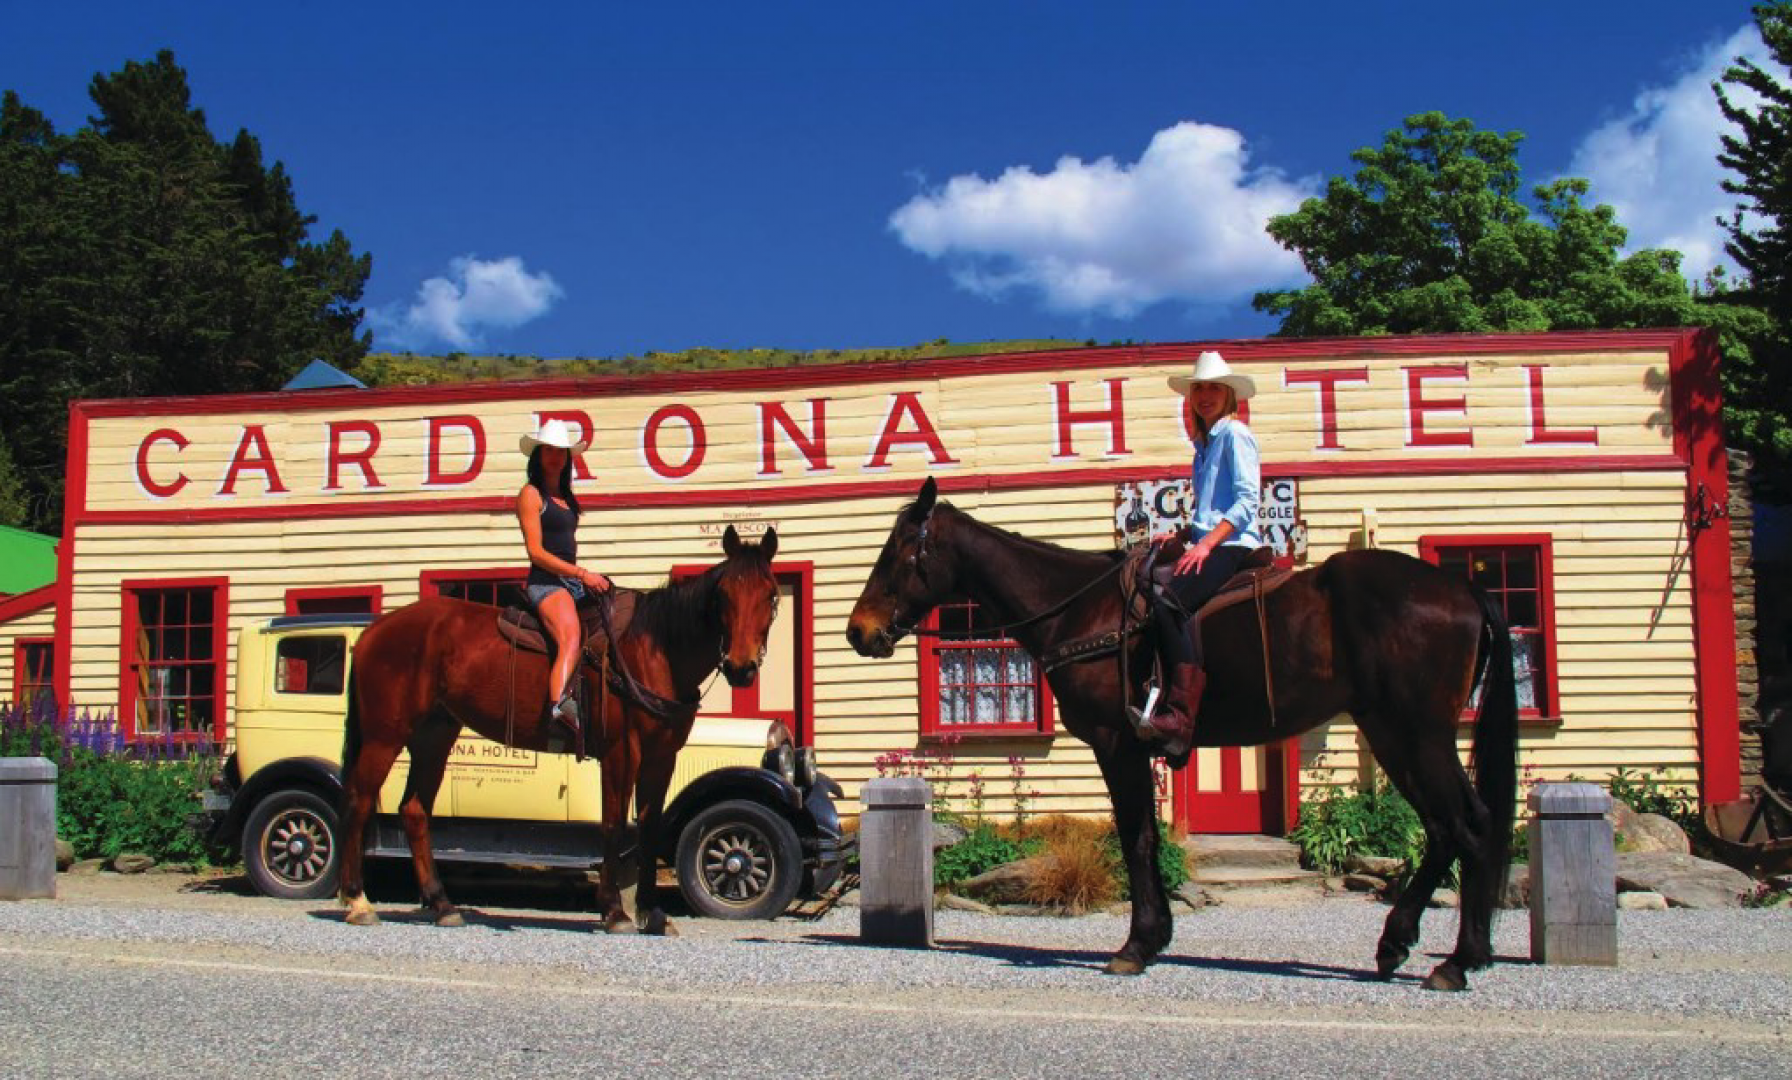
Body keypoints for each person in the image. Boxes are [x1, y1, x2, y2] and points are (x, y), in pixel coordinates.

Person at [1128, 350, 1264, 759]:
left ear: (1228, 395)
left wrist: (1206, 543)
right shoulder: (1203, 446)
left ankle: (1181, 715)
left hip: (1234, 545)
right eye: (1198, 388)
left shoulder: (1235, 435)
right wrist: (1186, 531)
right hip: (1212, 539)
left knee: (1168, 600)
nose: (1204, 395)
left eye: (1213, 388)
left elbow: (1246, 502)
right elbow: (1210, 509)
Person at [517, 418, 611, 734]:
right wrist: (582, 573)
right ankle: (558, 710)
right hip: (545, 582)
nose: (556, 457)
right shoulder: (531, 494)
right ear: (539, 455)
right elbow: (537, 552)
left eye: (561, 452)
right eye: (549, 451)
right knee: (570, 634)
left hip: (570, 582)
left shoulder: (566, 498)